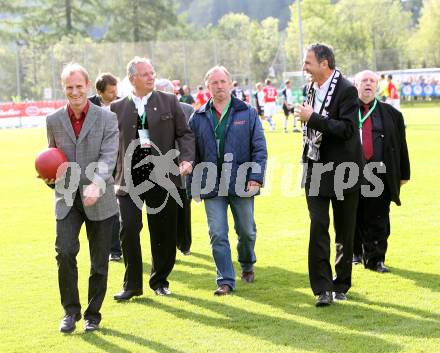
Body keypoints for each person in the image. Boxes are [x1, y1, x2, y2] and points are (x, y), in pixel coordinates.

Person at [111, 57, 194, 300]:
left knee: (163, 232)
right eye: (145, 73)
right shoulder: (117, 108)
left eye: (152, 72)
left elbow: (185, 134)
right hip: (128, 179)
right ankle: (132, 284)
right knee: (128, 229)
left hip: (163, 175)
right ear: (131, 79)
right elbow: (109, 144)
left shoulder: (168, 101)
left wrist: (187, 159)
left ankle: (160, 281)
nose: (151, 77)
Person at [44, 63, 119, 332]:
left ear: (87, 86)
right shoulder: (52, 121)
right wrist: (50, 177)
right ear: (63, 88)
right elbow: (53, 160)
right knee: (64, 252)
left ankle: (93, 315)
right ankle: (70, 312)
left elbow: (109, 156)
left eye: (78, 86)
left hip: (99, 198)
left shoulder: (107, 118)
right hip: (67, 199)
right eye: (69, 87)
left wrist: (97, 184)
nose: (74, 92)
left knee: (99, 261)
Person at [187, 66, 267, 295]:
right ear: (208, 86)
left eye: (223, 81)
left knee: (247, 231)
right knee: (218, 233)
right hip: (211, 184)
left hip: (242, 182)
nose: (219, 86)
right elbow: (192, 154)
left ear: (231, 83)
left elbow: (259, 148)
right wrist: (194, 186)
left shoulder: (247, 113)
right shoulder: (199, 116)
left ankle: (247, 263)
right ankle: (225, 280)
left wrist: (256, 177)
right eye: (215, 82)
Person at [294, 43, 362, 306]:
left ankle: (341, 283)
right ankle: (322, 288)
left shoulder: (346, 89)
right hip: (315, 168)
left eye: (308, 62)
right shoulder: (310, 88)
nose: (304, 67)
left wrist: (313, 118)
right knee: (318, 226)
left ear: (325, 64)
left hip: (345, 170)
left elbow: (347, 130)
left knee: (344, 230)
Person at [352, 70, 410, 272]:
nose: (368, 84)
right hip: (350, 173)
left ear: (377, 85)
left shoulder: (392, 114)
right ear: (355, 85)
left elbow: (401, 145)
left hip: (380, 174)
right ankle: (355, 253)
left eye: (371, 81)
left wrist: (404, 174)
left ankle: (376, 259)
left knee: (378, 218)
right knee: (352, 215)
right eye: (363, 81)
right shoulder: (346, 112)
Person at [155, 78, 194, 256]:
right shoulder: (150, 111)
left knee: (183, 208)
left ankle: (184, 244)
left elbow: (191, 138)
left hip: (182, 167)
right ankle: (167, 247)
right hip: (160, 169)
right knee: (163, 210)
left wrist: (189, 160)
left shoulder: (187, 110)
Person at [88, 72, 123, 262]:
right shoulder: (88, 106)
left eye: (115, 90)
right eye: (110, 92)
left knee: (116, 206)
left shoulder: (122, 105)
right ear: (99, 92)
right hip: (95, 164)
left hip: (119, 161)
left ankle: (116, 250)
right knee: (103, 208)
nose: (114, 95)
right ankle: (110, 248)